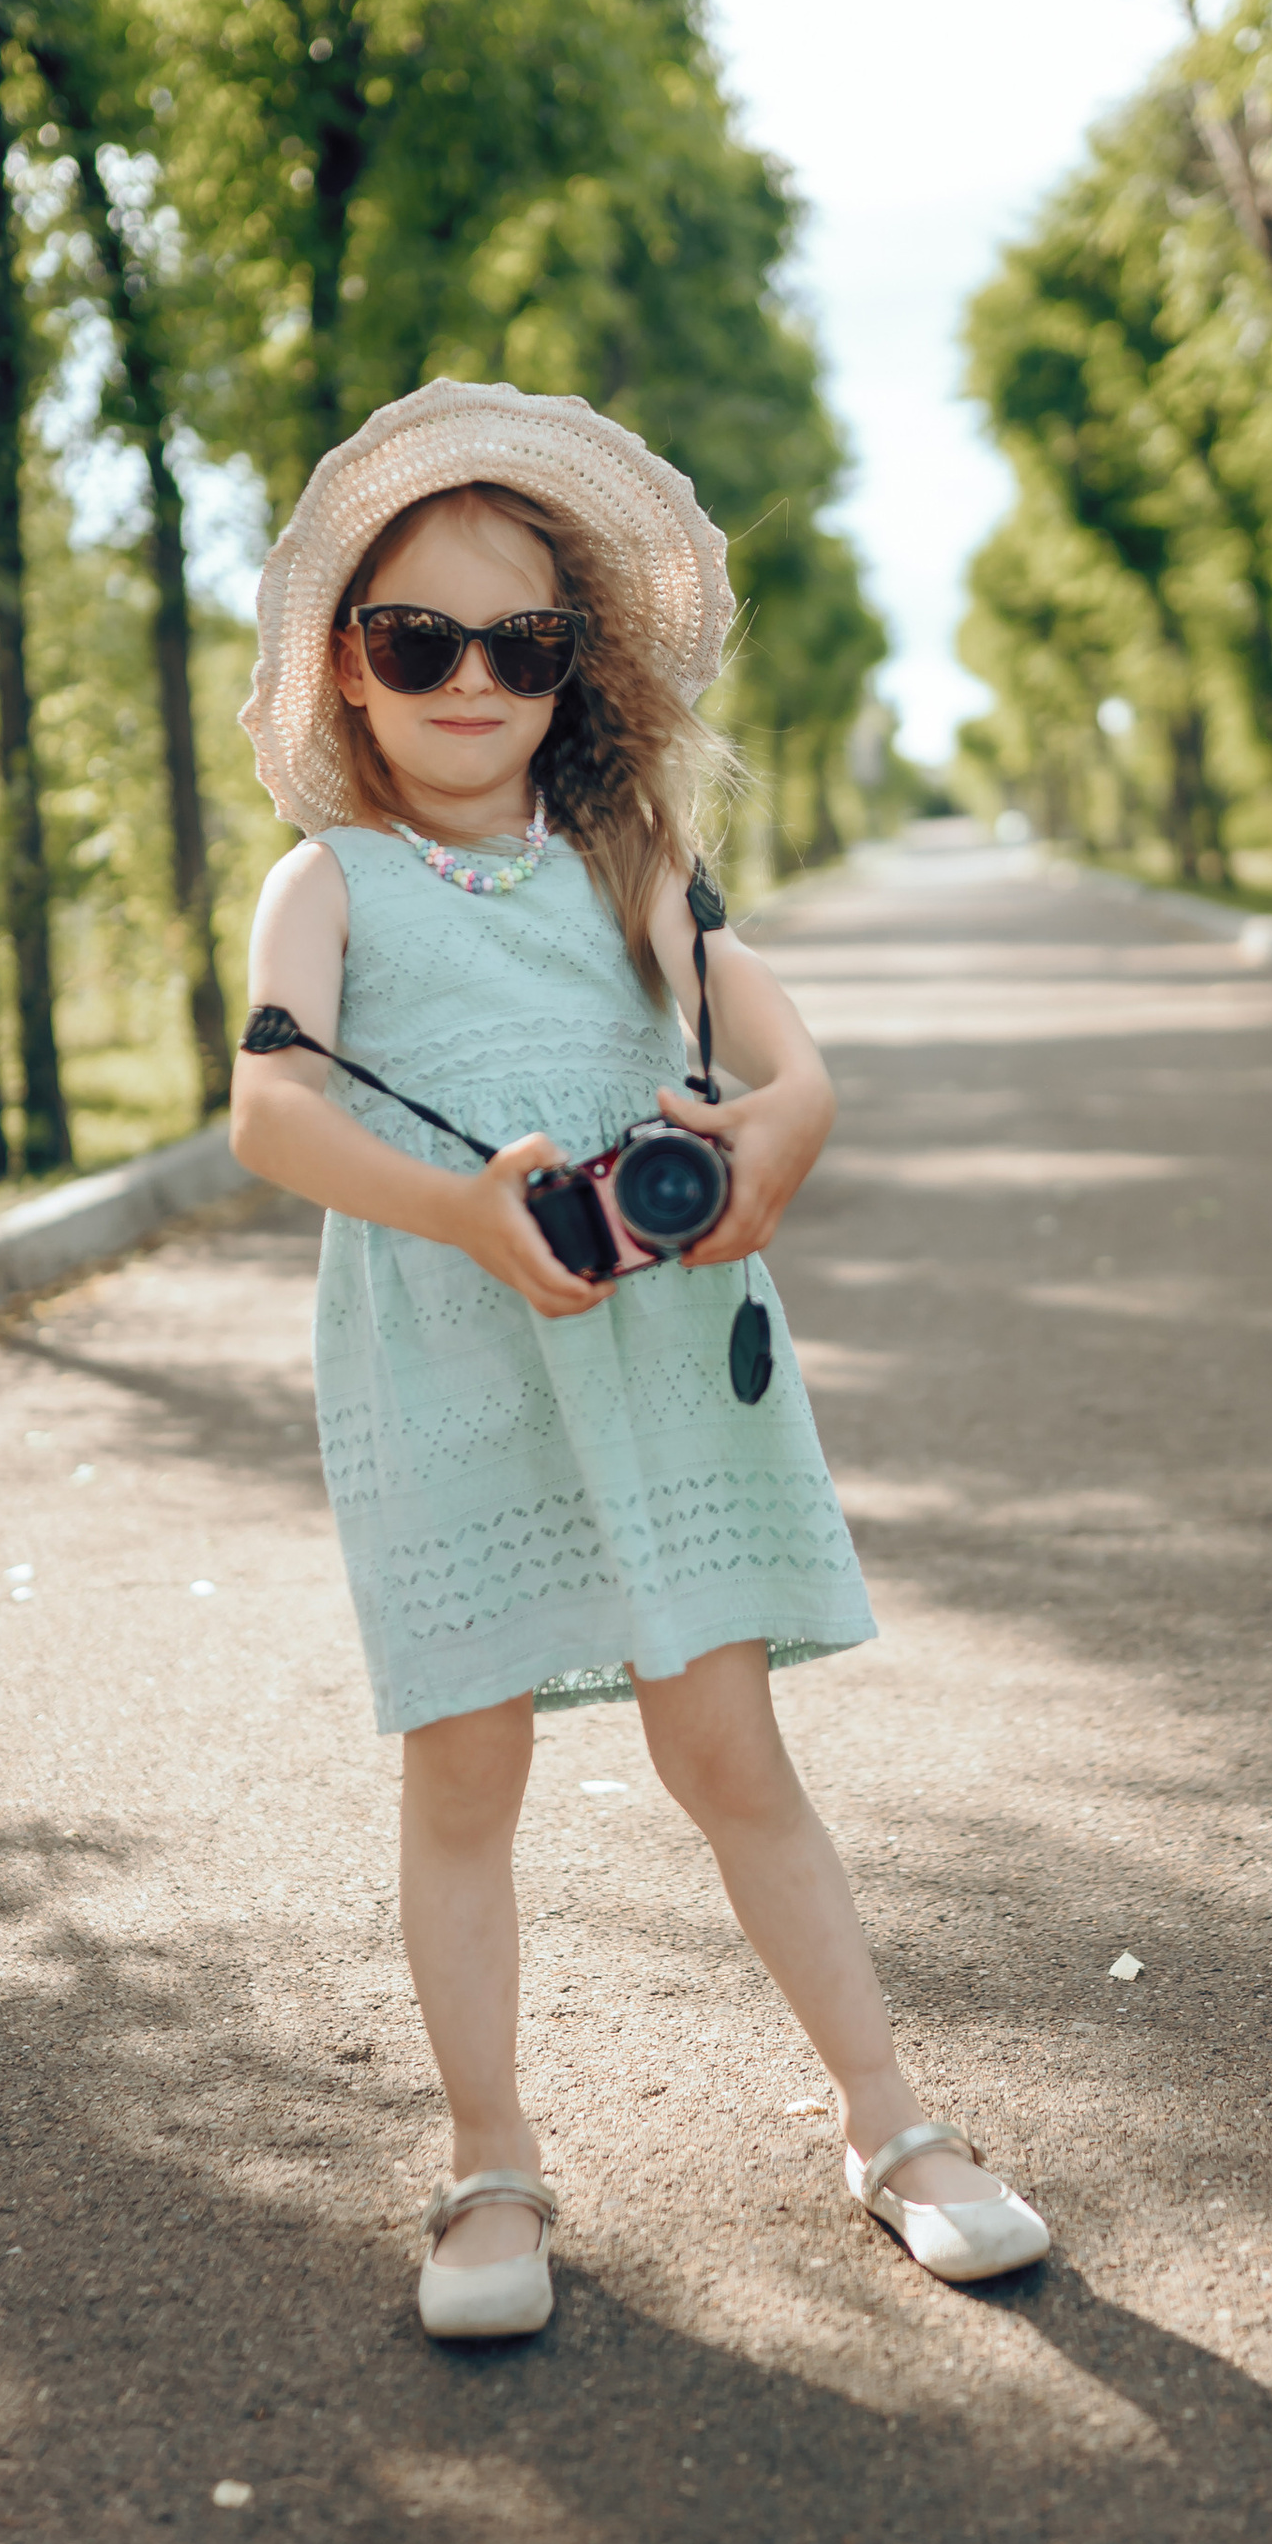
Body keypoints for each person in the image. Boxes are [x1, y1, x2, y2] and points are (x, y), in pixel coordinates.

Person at [229, 377, 1049, 2340]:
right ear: (347, 666)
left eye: (517, 644)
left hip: (661, 1360)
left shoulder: (631, 876)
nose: (465, 681)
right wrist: (457, 1207)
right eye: (415, 639)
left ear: (571, 667)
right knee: (463, 1776)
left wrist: (765, 1148)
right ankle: (486, 2164)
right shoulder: (324, 888)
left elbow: (799, 1069)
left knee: (729, 1755)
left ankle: (890, 2123)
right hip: (452, 1358)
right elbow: (266, 1118)